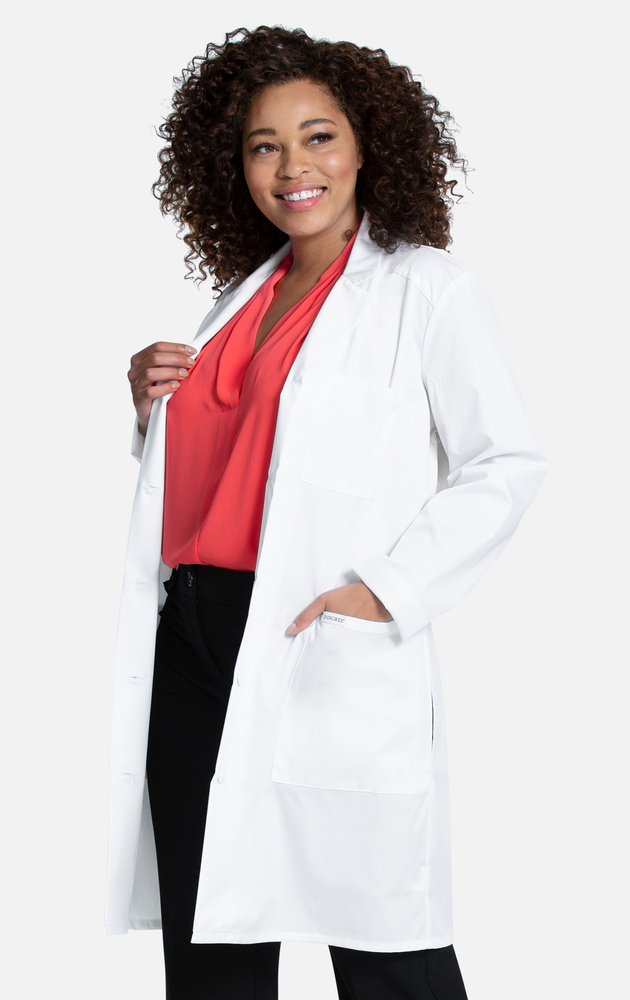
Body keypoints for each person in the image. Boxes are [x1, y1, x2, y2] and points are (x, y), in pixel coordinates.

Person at [105, 25, 547, 1000]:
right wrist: (152, 413)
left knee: (384, 942)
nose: (291, 167)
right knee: (209, 948)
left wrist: (387, 590)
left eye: (317, 137)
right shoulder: (239, 297)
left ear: (366, 145)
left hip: (315, 631)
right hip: (193, 638)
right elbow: (237, 469)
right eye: (263, 145)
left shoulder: (424, 289)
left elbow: (504, 461)